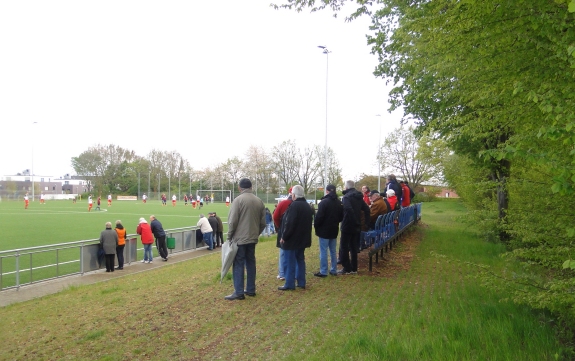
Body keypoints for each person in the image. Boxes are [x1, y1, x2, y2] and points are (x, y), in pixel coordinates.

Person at [224, 178, 266, 301]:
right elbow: (263, 223)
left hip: (240, 239)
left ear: (239, 188)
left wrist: (229, 237)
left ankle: (239, 292)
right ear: (251, 187)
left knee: (238, 264)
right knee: (251, 263)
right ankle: (251, 289)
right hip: (252, 239)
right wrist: (255, 234)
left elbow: (232, 221)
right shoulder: (259, 201)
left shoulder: (238, 200)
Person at [278, 185, 313, 290]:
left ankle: (289, 284)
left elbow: (290, 223)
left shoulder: (294, 206)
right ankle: (301, 282)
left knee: (290, 262)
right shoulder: (307, 206)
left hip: (292, 239)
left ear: (293, 194)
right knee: (300, 260)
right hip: (302, 238)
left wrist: (284, 236)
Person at [338, 180, 370, 275]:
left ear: (346, 187)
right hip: (357, 226)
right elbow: (366, 209)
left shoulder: (346, 197)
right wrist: (366, 223)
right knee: (353, 247)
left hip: (348, 224)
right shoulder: (359, 197)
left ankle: (347, 268)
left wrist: (354, 220)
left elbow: (348, 209)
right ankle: (354, 268)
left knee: (344, 246)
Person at [313, 184, 343, 277]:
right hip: (334, 229)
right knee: (333, 251)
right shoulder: (338, 203)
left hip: (324, 230)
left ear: (327, 191)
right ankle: (333, 269)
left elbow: (319, 217)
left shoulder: (323, 202)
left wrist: (316, 225)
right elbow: (341, 217)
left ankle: (323, 271)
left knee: (323, 251)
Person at [273, 187, 293, 281]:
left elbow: (275, 216)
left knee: (282, 252)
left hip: (283, 229)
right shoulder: (301, 204)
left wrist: (279, 227)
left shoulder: (283, 203)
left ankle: (282, 273)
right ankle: (294, 272)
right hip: (296, 231)